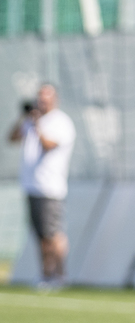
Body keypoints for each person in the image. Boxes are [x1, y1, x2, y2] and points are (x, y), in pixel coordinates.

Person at [7, 84, 76, 290]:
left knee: (53, 233)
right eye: (40, 98)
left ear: (54, 99)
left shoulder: (60, 122)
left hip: (50, 187)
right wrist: (24, 117)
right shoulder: (31, 120)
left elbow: (49, 145)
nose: (42, 102)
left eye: (46, 98)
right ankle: (46, 274)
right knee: (41, 236)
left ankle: (60, 275)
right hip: (32, 186)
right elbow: (11, 138)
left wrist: (37, 125)